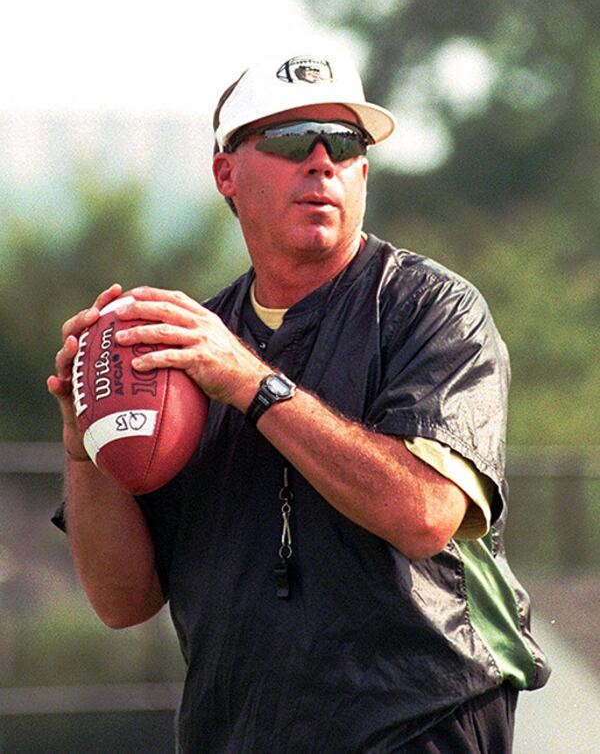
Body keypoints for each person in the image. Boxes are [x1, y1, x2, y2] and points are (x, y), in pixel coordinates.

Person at [49, 51, 550, 752]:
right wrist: (85, 439)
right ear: (227, 171)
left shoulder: (431, 308)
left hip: (419, 722)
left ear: (363, 174)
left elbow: (427, 512)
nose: (321, 162)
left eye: (344, 145)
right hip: (240, 732)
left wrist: (253, 383)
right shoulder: (181, 348)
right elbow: (123, 600)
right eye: (291, 140)